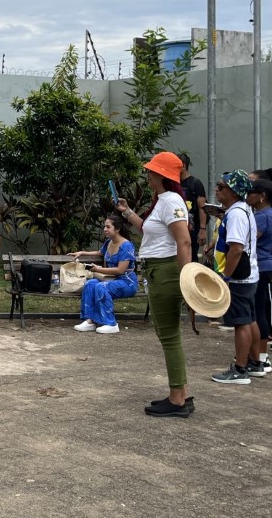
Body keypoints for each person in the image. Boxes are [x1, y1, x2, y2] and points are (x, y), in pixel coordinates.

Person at [115, 151, 193, 418]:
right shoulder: (163, 200)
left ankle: (177, 399)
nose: (147, 174)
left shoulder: (170, 201)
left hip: (166, 271)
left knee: (169, 336)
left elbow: (184, 241)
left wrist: (186, 277)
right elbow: (149, 230)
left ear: (162, 175)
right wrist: (128, 213)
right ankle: (181, 392)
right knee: (167, 333)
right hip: (160, 270)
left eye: (151, 171)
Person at [210, 169, 262, 384]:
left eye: (221, 187)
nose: (216, 189)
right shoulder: (241, 209)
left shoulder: (236, 214)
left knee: (241, 322)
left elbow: (236, 249)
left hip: (238, 278)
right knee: (249, 319)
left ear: (233, 191)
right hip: (248, 275)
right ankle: (255, 362)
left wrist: (225, 276)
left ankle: (240, 370)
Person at [70, 214, 139, 334]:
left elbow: (120, 270)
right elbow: (99, 252)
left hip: (127, 282)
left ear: (117, 229)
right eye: (104, 227)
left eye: (108, 227)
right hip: (111, 279)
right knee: (90, 284)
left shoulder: (126, 246)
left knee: (101, 286)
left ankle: (111, 323)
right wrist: (82, 252)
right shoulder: (109, 242)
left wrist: (97, 269)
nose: (104, 229)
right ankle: (89, 321)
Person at [245, 178, 272, 375]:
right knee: (261, 309)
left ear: (262, 196)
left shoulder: (261, 216)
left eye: (251, 192)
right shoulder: (267, 213)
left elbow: (249, 239)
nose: (248, 196)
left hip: (260, 266)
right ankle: (261, 356)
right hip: (266, 265)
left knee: (256, 311)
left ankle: (260, 356)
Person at [178, 153, 207, 262]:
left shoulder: (195, 183)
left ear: (183, 165)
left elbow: (202, 207)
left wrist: (202, 229)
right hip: (178, 227)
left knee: (191, 257)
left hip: (193, 228)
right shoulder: (174, 183)